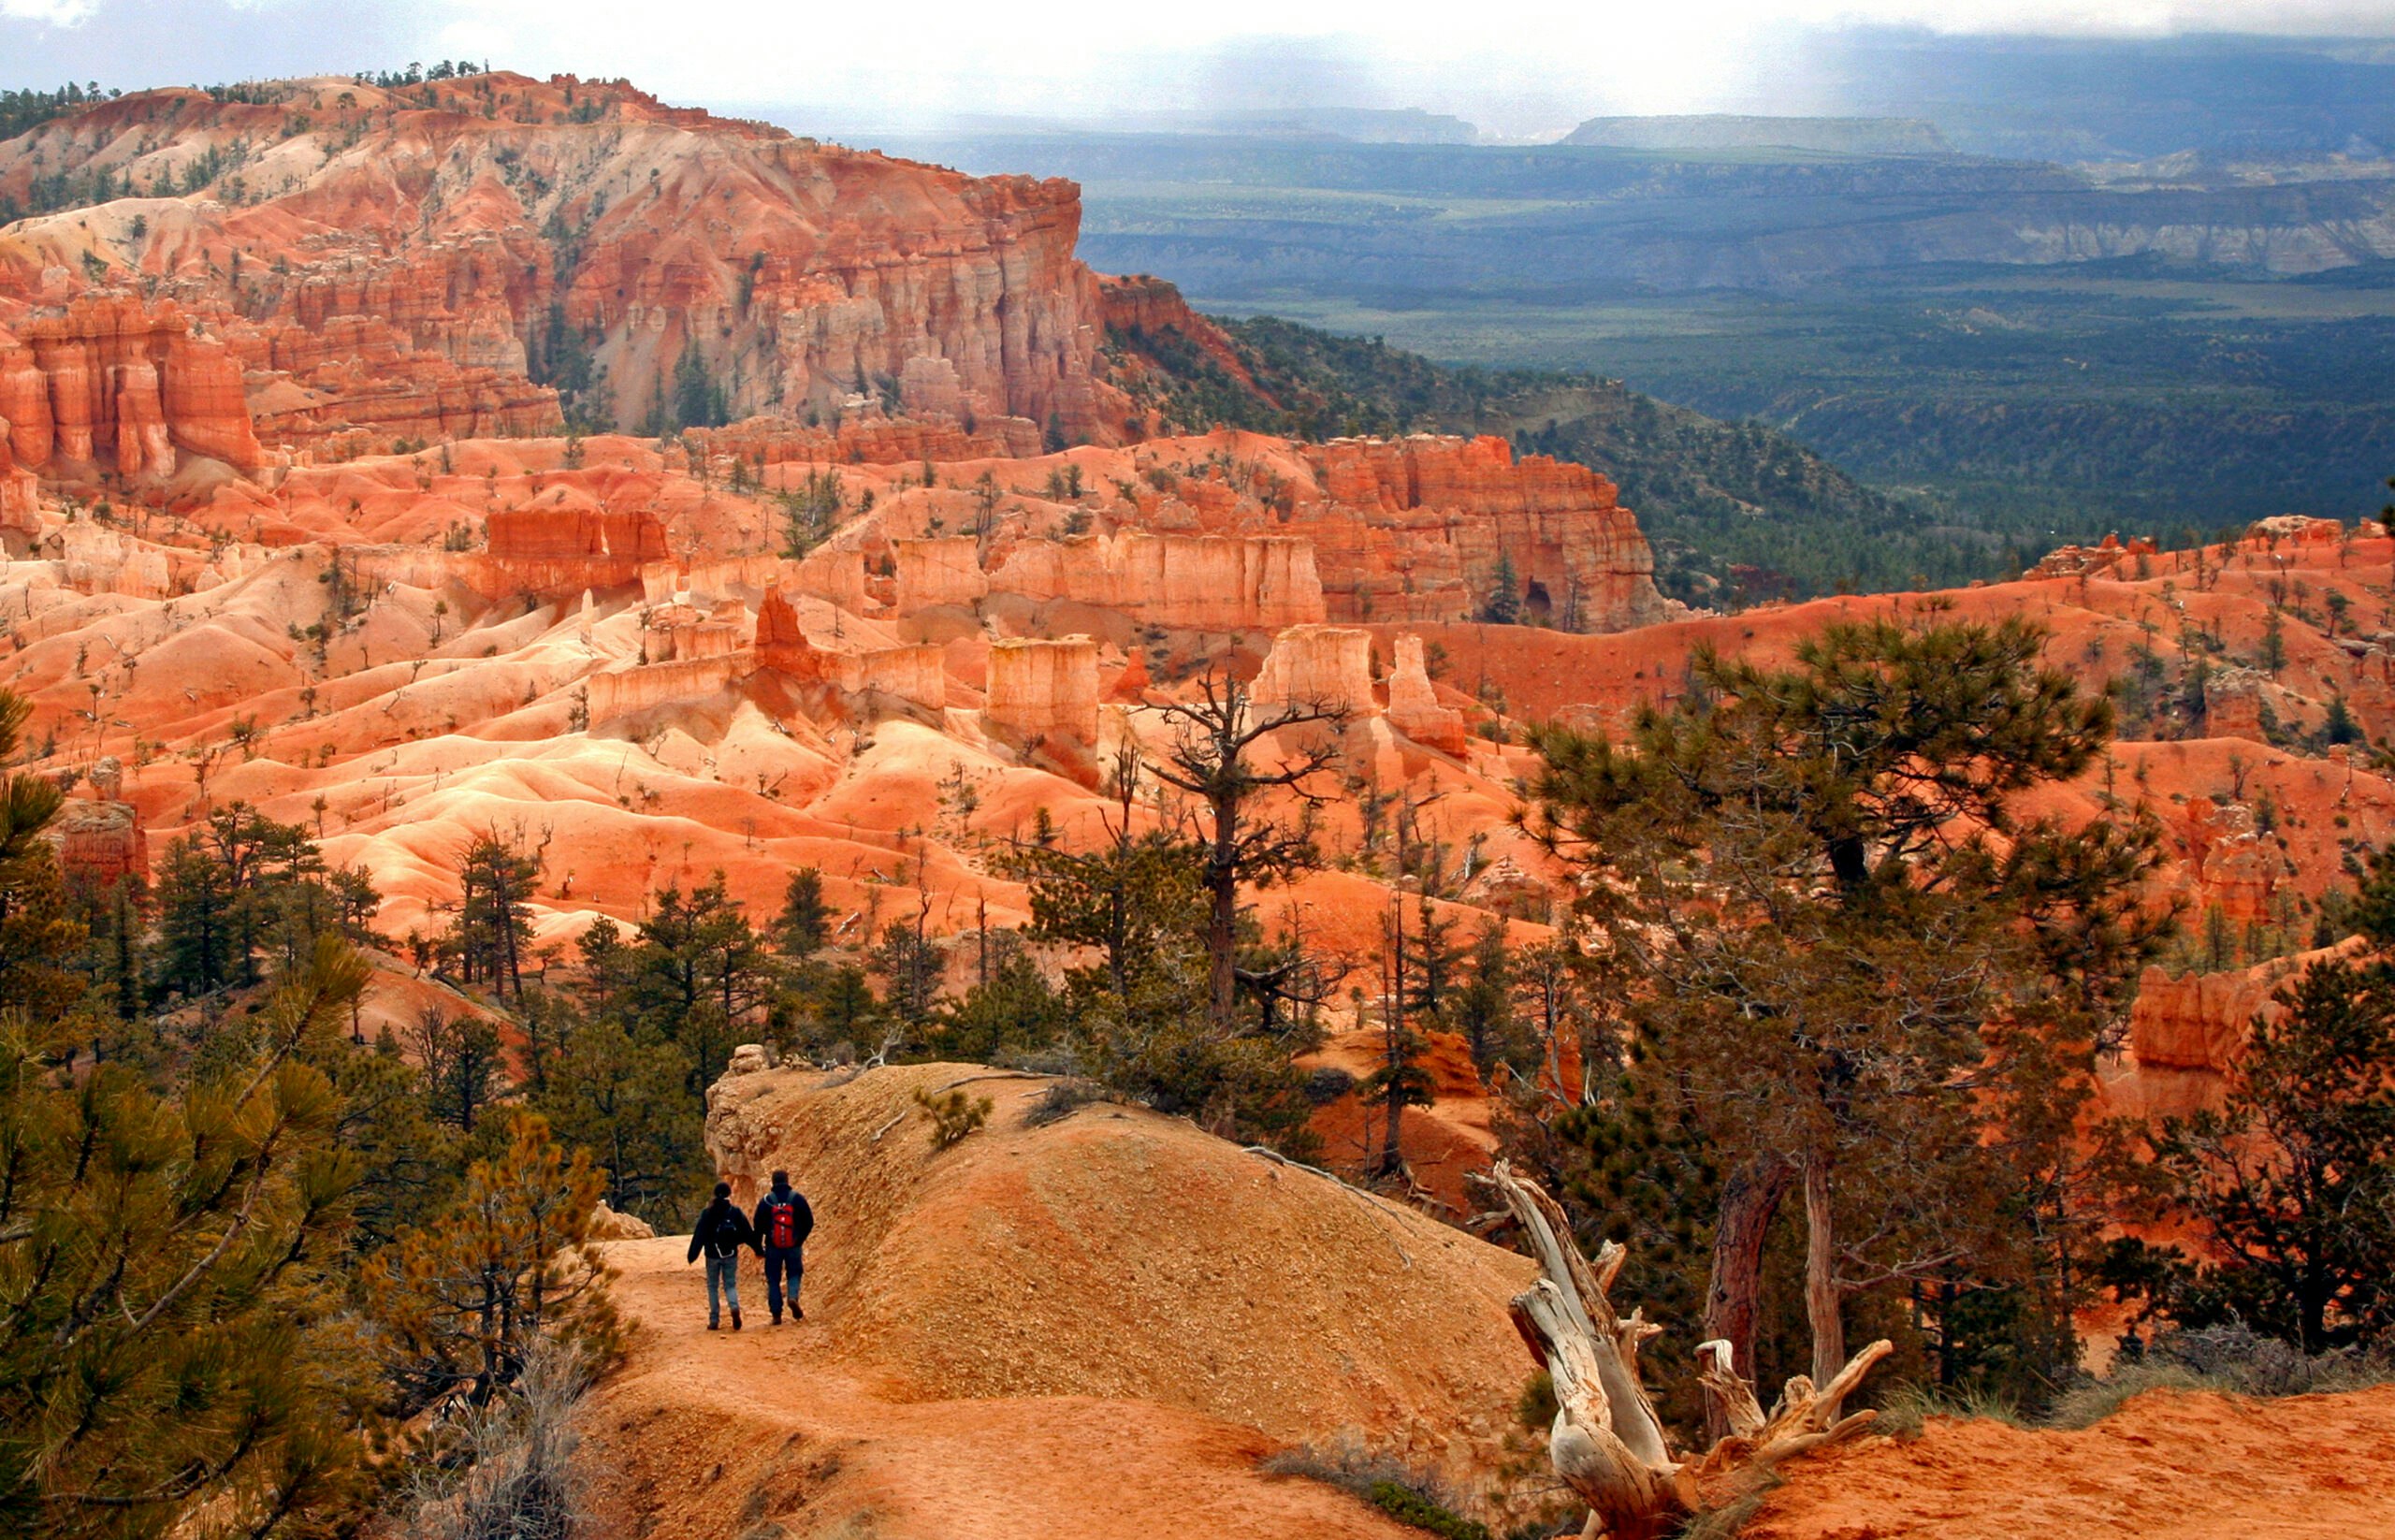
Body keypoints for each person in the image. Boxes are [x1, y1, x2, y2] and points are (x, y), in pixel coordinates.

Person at [687, 1181, 759, 1330]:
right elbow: (747, 1232)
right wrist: (758, 1250)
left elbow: (699, 1234)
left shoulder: (707, 1213)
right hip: (730, 1253)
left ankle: (714, 1320)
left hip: (712, 1255)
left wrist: (692, 1254)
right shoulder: (735, 1212)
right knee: (730, 1284)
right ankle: (734, 1306)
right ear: (729, 1194)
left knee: (712, 1286)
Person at [750, 1169, 815, 1324]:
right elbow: (809, 1222)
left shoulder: (766, 1201)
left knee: (773, 1279)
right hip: (793, 1245)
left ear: (772, 1182)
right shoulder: (797, 1199)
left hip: (773, 1247)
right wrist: (799, 1239)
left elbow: (757, 1227)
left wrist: (758, 1249)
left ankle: (776, 1314)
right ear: (787, 1181)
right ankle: (792, 1297)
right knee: (794, 1274)